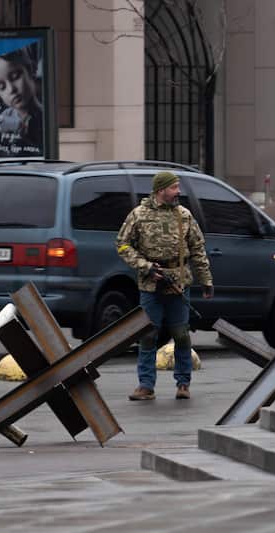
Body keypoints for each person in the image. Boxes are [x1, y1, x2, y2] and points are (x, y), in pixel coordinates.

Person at [116, 171, 214, 401]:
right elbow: (122, 245)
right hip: (150, 284)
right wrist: (145, 266)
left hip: (178, 283)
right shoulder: (139, 215)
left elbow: (198, 250)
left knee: (181, 335)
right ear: (161, 190)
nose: (178, 191)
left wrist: (206, 279)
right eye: (173, 187)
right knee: (148, 335)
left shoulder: (184, 216)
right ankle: (146, 385)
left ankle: (183, 383)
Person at [0, 48, 44, 155]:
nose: (11, 89)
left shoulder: (45, 117)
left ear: (31, 69)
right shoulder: (2, 120)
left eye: (15, 76)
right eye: (2, 87)